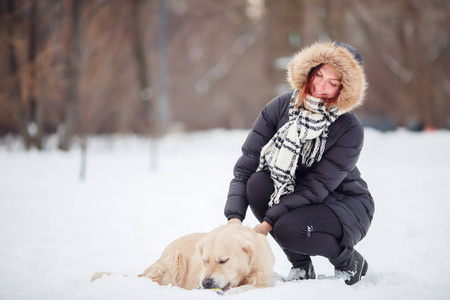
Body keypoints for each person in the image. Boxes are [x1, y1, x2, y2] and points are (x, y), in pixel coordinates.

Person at [224, 41, 374, 286]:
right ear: (310, 71)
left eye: (333, 83)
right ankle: (302, 266)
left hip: (344, 203)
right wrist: (234, 217)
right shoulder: (281, 107)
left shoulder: (349, 128)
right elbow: (247, 164)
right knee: (257, 183)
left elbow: (316, 187)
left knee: (287, 228)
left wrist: (268, 221)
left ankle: (348, 261)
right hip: (297, 194)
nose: (321, 86)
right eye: (319, 75)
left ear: (344, 88)